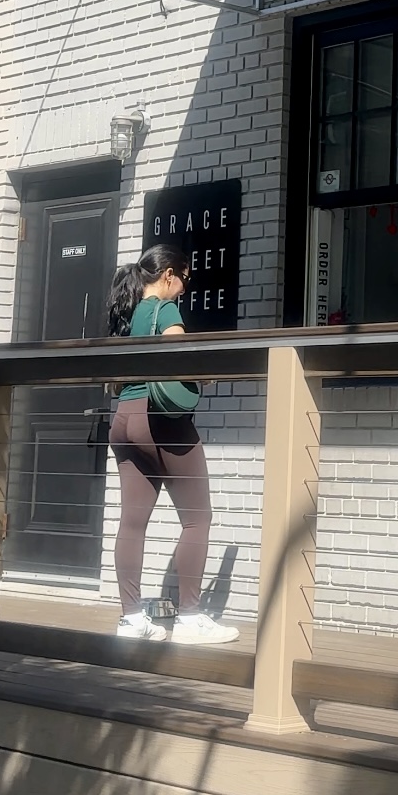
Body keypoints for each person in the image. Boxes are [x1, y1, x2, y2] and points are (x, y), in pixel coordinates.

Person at [107, 244, 239, 644]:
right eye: (184, 277)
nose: (184, 287)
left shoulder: (126, 315)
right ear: (168, 275)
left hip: (124, 419)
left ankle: (131, 619)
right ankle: (190, 618)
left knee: (132, 521)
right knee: (198, 518)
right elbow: (178, 355)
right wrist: (205, 372)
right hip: (161, 419)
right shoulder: (164, 310)